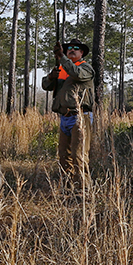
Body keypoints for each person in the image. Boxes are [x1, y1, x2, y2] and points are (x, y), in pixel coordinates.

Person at [41, 38, 95, 179]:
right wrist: (51, 77)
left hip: (80, 117)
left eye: (76, 48)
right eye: (69, 48)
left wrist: (62, 58)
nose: (72, 49)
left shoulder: (86, 68)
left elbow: (75, 73)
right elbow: (45, 86)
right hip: (64, 118)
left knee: (79, 156)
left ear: (81, 52)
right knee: (64, 156)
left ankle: (83, 192)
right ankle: (67, 190)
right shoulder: (61, 69)